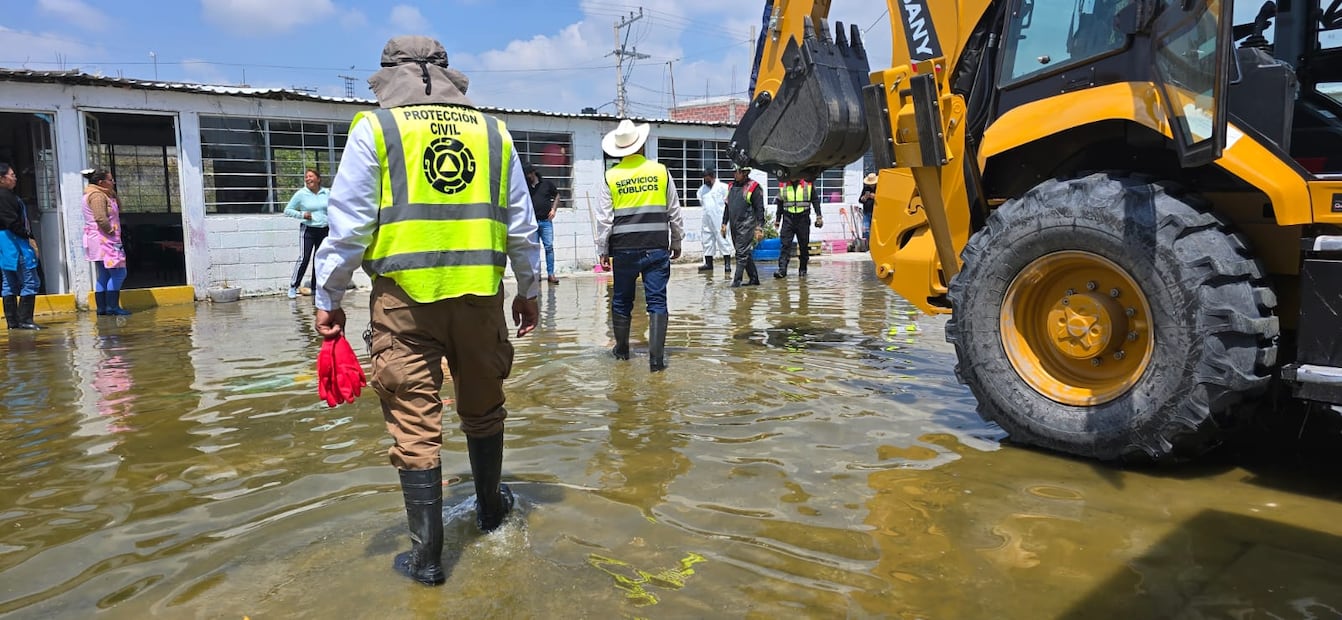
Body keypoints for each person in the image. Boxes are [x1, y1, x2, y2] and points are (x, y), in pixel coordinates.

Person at [312, 35, 541, 586]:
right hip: (480, 296)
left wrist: (328, 299)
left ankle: (429, 561)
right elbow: (521, 225)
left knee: (416, 424)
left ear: (388, 74)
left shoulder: (377, 128)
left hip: (403, 302)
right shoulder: (492, 132)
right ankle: (490, 511)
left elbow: (348, 229)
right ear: (449, 74)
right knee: (484, 407)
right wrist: (529, 289)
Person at [594, 118, 685, 372]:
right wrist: (676, 240)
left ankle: (622, 351)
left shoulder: (610, 177)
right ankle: (656, 362)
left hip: (623, 249)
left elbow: (604, 219)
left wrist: (602, 250)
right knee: (657, 300)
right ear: (642, 145)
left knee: (622, 300)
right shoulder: (660, 171)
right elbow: (673, 210)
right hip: (657, 246)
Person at [81, 168, 131, 317]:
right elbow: (101, 218)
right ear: (101, 182)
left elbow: (117, 209)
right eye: (110, 180)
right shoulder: (97, 196)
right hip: (105, 240)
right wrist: (110, 231)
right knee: (119, 273)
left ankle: (102, 308)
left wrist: (112, 194)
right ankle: (112, 307)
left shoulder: (100, 194)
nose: (113, 182)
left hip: (99, 240)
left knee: (104, 274)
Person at [1, 162, 43, 329]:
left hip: (5, 245)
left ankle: (13, 322)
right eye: (11, 175)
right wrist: (28, 236)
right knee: (31, 281)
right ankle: (25, 320)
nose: (15, 178)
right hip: (14, 243)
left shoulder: (9, 196)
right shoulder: (5, 197)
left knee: (9, 282)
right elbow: (11, 222)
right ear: (1, 179)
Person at [284, 168, 329, 298]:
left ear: (318, 179)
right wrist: (302, 214)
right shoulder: (301, 194)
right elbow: (287, 210)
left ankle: (316, 287)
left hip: (325, 230)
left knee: (320, 259)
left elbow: (334, 208)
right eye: (306, 177)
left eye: (311, 176)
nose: (308, 179)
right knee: (304, 258)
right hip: (308, 230)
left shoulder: (326, 193)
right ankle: (293, 286)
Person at [720, 165, 765, 287]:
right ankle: (754, 279)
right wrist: (724, 223)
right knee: (744, 253)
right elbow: (727, 206)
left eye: (737, 172)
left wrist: (759, 227)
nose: (734, 174)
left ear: (745, 173)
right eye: (734, 172)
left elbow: (760, 209)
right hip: (734, 224)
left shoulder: (753, 187)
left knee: (741, 253)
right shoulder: (731, 186)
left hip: (747, 224)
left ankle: (736, 281)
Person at [773, 178, 823, 278]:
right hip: (788, 219)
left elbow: (815, 200)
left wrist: (819, 216)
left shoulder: (808, 184)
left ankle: (803, 270)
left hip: (803, 219)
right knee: (785, 245)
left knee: (804, 245)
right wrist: (778, 220)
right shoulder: (784, 184)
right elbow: (780, 203)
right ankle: (782, 270)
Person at [524, 163, 561, 284]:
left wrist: (554, 209)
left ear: (533, 173)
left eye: (529, 174)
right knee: (534, 249)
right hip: (532, 222)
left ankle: (551, 274)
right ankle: (537, 274)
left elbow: (557, 195)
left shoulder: (546, 184)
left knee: (549, 247)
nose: (527, 176)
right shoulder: (526, 187)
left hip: (546, 221)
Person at [696, 169, 732, 275]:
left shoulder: (723, 188)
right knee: (707, 240)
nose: (705, 180)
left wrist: (725, 221)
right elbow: (703, 203)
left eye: (707, 177)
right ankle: (708, 263)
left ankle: (727, 264)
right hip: (707, 219)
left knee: (723, 240)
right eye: (704, 178)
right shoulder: (702, 190)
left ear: (712, 176)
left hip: (720, 218)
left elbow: (727, 204)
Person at [860, 172, 877, 242]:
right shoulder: (866, 188)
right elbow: (860, 200)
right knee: (866, 228)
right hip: (867, 211)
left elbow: (883, 199)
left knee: (874, 229)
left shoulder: (879, 188)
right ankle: (867, 243)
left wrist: (875, 196)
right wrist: (864, 197)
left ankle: (874, 242)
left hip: (875, 211)